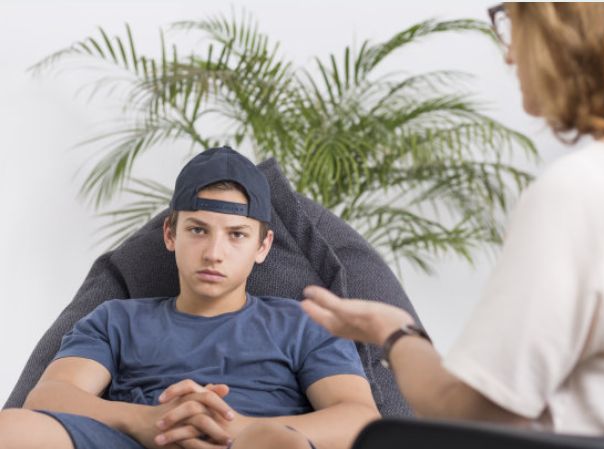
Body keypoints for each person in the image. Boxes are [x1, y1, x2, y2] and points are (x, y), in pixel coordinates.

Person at [301, 2, 604, 437]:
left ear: (566, 33)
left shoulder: (583, 191)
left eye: (515, 24)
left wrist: (393, 332)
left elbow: (473, 411)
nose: (510, 55)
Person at [0, 147, 380, 449]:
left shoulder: (304, 323)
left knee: (278, 443)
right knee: (11, 429)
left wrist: (234, 427)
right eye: (198, 230)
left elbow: (360, 420)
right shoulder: (115, 319)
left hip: (254, 440)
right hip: (137, 440)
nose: (214, 253)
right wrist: (150, 421)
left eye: (236, 235)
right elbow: (48, 396)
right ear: (170, 234)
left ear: (263, 246)